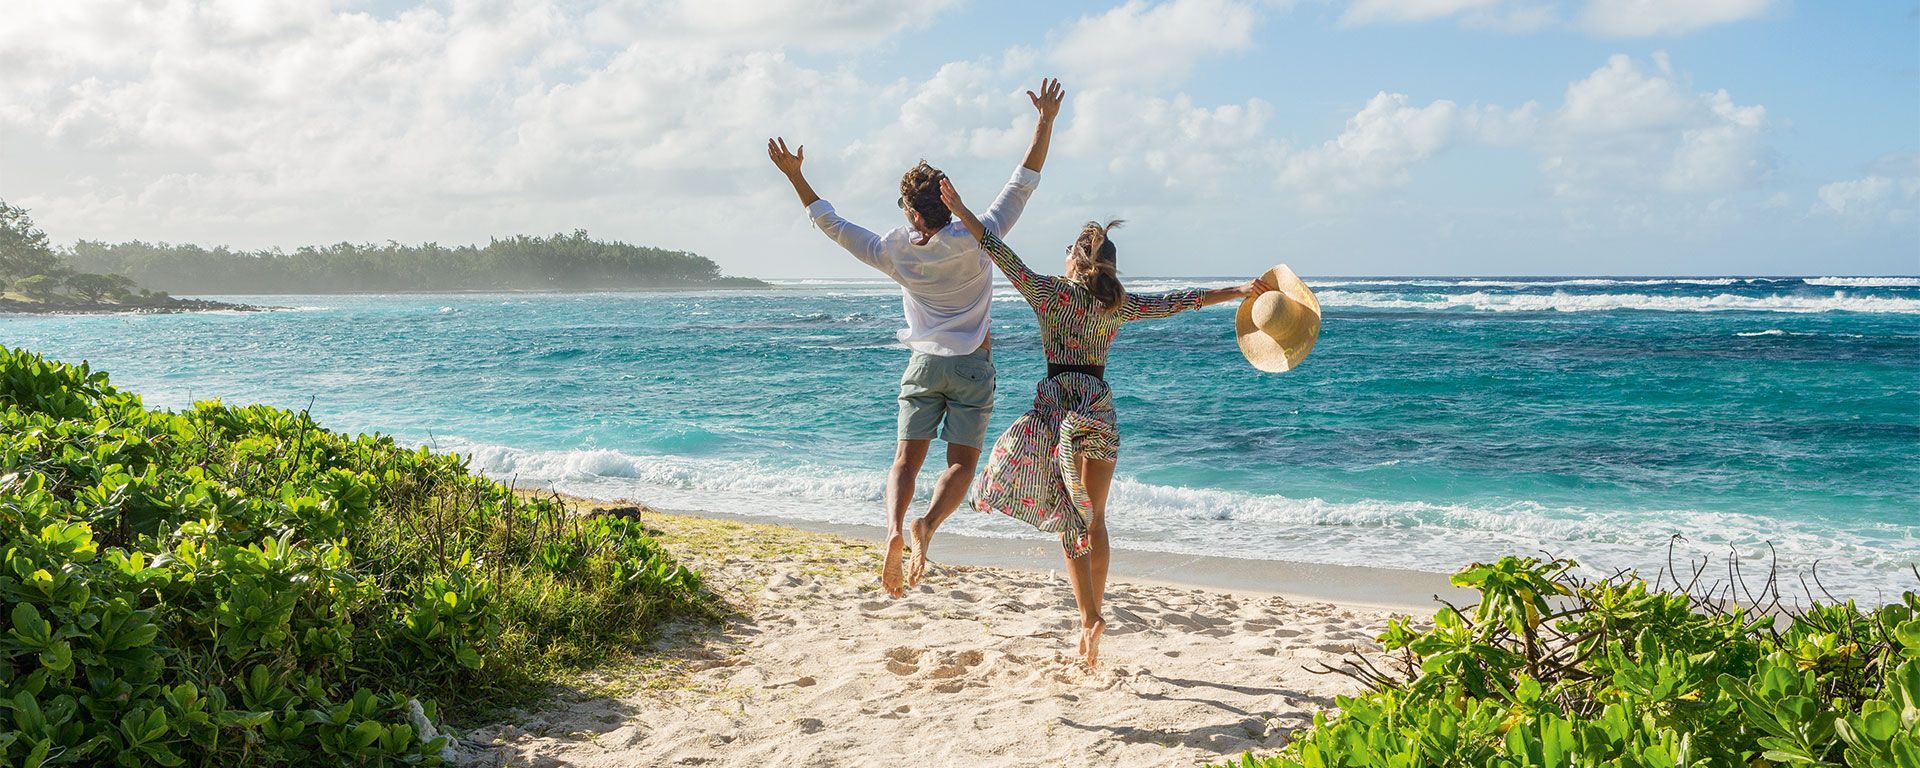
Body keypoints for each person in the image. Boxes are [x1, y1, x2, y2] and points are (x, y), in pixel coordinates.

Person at [938, 178, 1272, 668]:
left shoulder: (1049, 294)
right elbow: (1179, 301)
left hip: (1062, 412)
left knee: (1071, 519)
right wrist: (1237, 290)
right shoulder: (1118, 304)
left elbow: (996, 249)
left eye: (1068, 248)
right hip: (1100, 412)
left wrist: (963, 209)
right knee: (1095, 518)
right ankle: (1096, 607)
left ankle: (1089, 616)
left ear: (1076, 257)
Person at [767, 78, 1067, 598]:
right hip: (974, 365)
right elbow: (1023, 182)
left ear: (911, 211)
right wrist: (1044, 121)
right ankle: (926, 525)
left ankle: (891, 531)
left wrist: (798, 176)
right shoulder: (978, 239)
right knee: (961, 464)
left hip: (923, 365)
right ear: (947, 205)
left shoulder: (893, 250)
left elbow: (831, 224)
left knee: (906, 460)